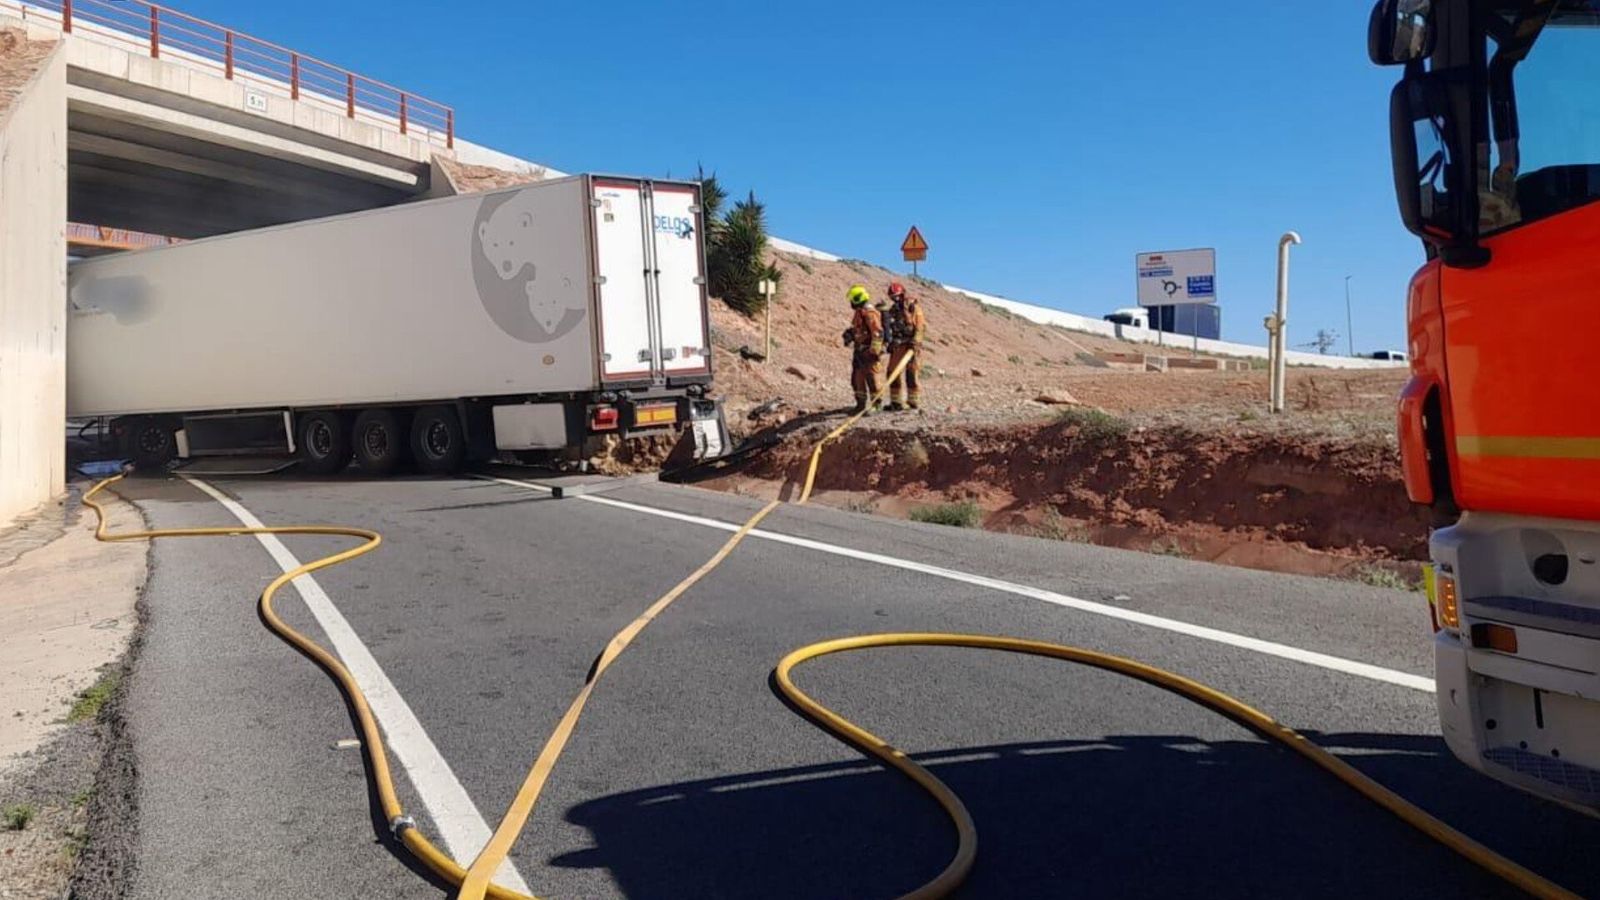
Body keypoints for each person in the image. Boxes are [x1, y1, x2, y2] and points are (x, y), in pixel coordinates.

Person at [883, 282, 926, 411]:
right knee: (892, 372)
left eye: (896, 296)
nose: (894, 299)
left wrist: (916, 342)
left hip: (911, 345)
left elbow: (920, 326)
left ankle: (913, 402)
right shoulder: (893, 310)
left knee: (911, 373)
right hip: (898, 345)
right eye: (892, 297)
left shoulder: (913, 307)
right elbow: (888, 327)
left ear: (902, 294)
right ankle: (896, 402)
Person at [842, 284, 884, 414]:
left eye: (852, 299)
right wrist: (850, 335)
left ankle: (876, 405)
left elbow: (878, 332)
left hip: (868, 352)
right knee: (857, 379)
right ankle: (860, 404)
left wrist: (874, 351)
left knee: (872, 379)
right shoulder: (859, 313)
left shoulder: (870, 314)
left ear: (858, 299)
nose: (851, 302)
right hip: (859, 351)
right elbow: (858, 329)